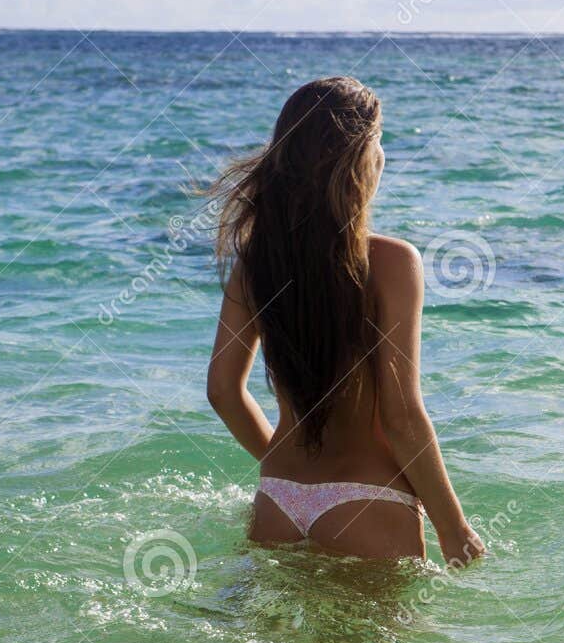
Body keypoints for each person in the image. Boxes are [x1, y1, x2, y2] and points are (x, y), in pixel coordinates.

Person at [206, 77, 485, 565]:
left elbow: (223, 391)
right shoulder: (393, 263)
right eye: (380, 144)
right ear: (359, 158)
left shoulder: (256, 265)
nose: (383, 159)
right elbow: (401, 417)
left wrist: (279, 465)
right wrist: (454, 528)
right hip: (369, 503)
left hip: (278, 501)